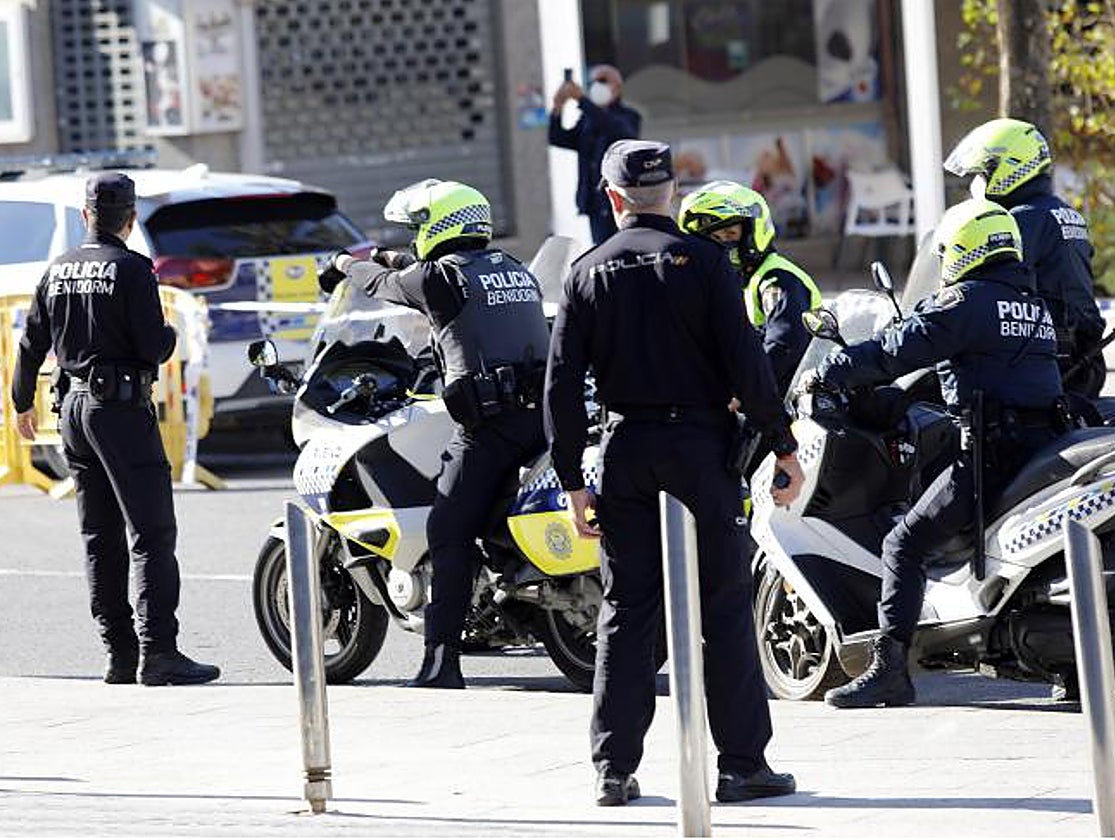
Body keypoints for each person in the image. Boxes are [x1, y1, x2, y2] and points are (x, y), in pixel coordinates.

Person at [544, 140, 804, 806]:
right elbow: (749, 362)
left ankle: (613, 768)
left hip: (626, 447)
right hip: (702, 450)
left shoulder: (585, 271)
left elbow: (562, 387)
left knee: (628, 611)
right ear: (673, 196)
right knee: (724, 608)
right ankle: (743, 766)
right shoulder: (710, 262)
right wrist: (782, 445)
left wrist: (574, 479)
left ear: (611, 197)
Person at [802, 198, 1066, 708]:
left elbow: (898, 348)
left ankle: (890, 669)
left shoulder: (965, 301)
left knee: (903, 543)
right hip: (1044, 444)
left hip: (991, 455)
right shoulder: (1034, 307)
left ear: (964, 249)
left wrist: (833, 368)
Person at [318, 179, 548, 689]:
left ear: (439, 226)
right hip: (541, 420)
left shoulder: (442, 279)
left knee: (448, 530)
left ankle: (441, 663)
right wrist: (387, 254)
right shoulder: (512, 270)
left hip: (489, 427)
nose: (415, 236)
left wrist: (345, 263)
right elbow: (421, 277)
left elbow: (382, 285)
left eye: (418, 227)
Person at [11, 173, 219, 686]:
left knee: (99, 536)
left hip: (73, 411)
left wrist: (20, 402)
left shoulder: (56, 271)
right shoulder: (132, 269)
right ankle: (159, 653)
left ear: (85, 216)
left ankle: (119, 655)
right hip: (119, 409)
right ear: (129, 220)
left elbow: (29, 344)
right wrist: (171, 335)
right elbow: (153, 346)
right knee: (151, 532)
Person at [944, 117, 1107, 400]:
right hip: (1084, 356)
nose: (977, 183)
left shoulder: (1020, 220)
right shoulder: (1065, 213)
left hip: (1050, 361)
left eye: (983, 172)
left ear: (1012, 167)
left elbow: (984, 286)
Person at [679, 180, 822, 394]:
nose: (722, 244)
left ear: (752, 232)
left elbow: (786, 344)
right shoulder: (737, 280)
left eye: (730, 235)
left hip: (800, 395)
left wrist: (744, 393)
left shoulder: (775, 278)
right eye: (714, 238)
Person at [549, 64, 641, 246]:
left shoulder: (629, 116)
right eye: (593, 82)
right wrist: (557, 107)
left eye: (602, 81)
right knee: (602, 249)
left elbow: (618, 131)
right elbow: (560, 139)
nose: (597, 85)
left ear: (617, 85)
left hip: (620, 200)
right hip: (594, 200)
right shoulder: (588, 119)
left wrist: (582, 100)